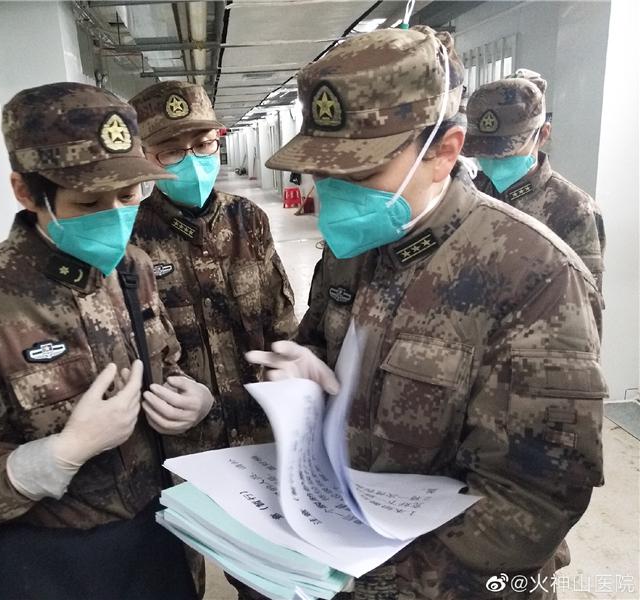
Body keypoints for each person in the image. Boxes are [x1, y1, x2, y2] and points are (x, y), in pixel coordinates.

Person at [247, 26, 607, 599]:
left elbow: (534, 499)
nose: (333, 194)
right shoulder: (352, 248)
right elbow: (321, 337)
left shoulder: (534, 275)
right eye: (322, 172)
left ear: (444, 151)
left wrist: (371, 581)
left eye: (359, 173)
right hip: (342, 533)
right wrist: (304, 376)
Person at [0, 82, 214, 600]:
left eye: (129, 195)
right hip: (52, 563)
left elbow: (166, 362)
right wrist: (55, 457)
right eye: (88, 202)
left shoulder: (134, 269)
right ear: (25, 192)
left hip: (160, 538)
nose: (116, 215)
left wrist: (191, 397)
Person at [128, 81, 297, 460]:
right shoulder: (131, 239)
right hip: (189, 443)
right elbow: (131, 350)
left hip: (264, 427)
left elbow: (281, 321)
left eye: (204, 144)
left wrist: (292, 378)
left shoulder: (248, 219)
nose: (193, 161)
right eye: (172, 152)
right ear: (144, 155)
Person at [464, 70, 606, 290]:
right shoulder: (467, 191)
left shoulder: (574, 209)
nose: (494, 159)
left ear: (543, 134)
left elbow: (584, 298)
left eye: (506, 151)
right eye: (485, 150)